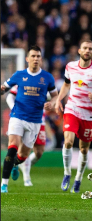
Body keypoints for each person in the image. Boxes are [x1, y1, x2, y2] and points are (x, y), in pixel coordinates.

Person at [1, 45, 58, 193]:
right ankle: (4, 185)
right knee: (12, 146)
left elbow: (56, 96)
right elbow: (5, 88)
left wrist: (51, 103)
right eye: (33, 56)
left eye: (38, 56)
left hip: (35, 121)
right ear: (27, 59)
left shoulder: (47, 77)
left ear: (41, 59)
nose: (36, 59)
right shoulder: (19, 75)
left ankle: (15, 165)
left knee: (23, 155)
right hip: (17, 116)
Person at [55, 40, 92, 193]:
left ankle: (78, 178)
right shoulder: (70, 66)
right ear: (79, 50)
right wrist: (59, 99)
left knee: (84, 150)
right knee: (68, 142)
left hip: (88, 114)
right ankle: (67, 174)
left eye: (90, 49)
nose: (87, 51)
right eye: (85, 48)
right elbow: (66, 84)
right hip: (72, 109)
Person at [6, 86, 47, 186]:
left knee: (39, 152)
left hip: (40, 120)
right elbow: (9, 97)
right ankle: (27, 178)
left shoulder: (45, 81)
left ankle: (17, 163)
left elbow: (52, 96)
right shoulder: (23, 81)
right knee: (24, 149)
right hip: (22, 119)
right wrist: (14, 109)